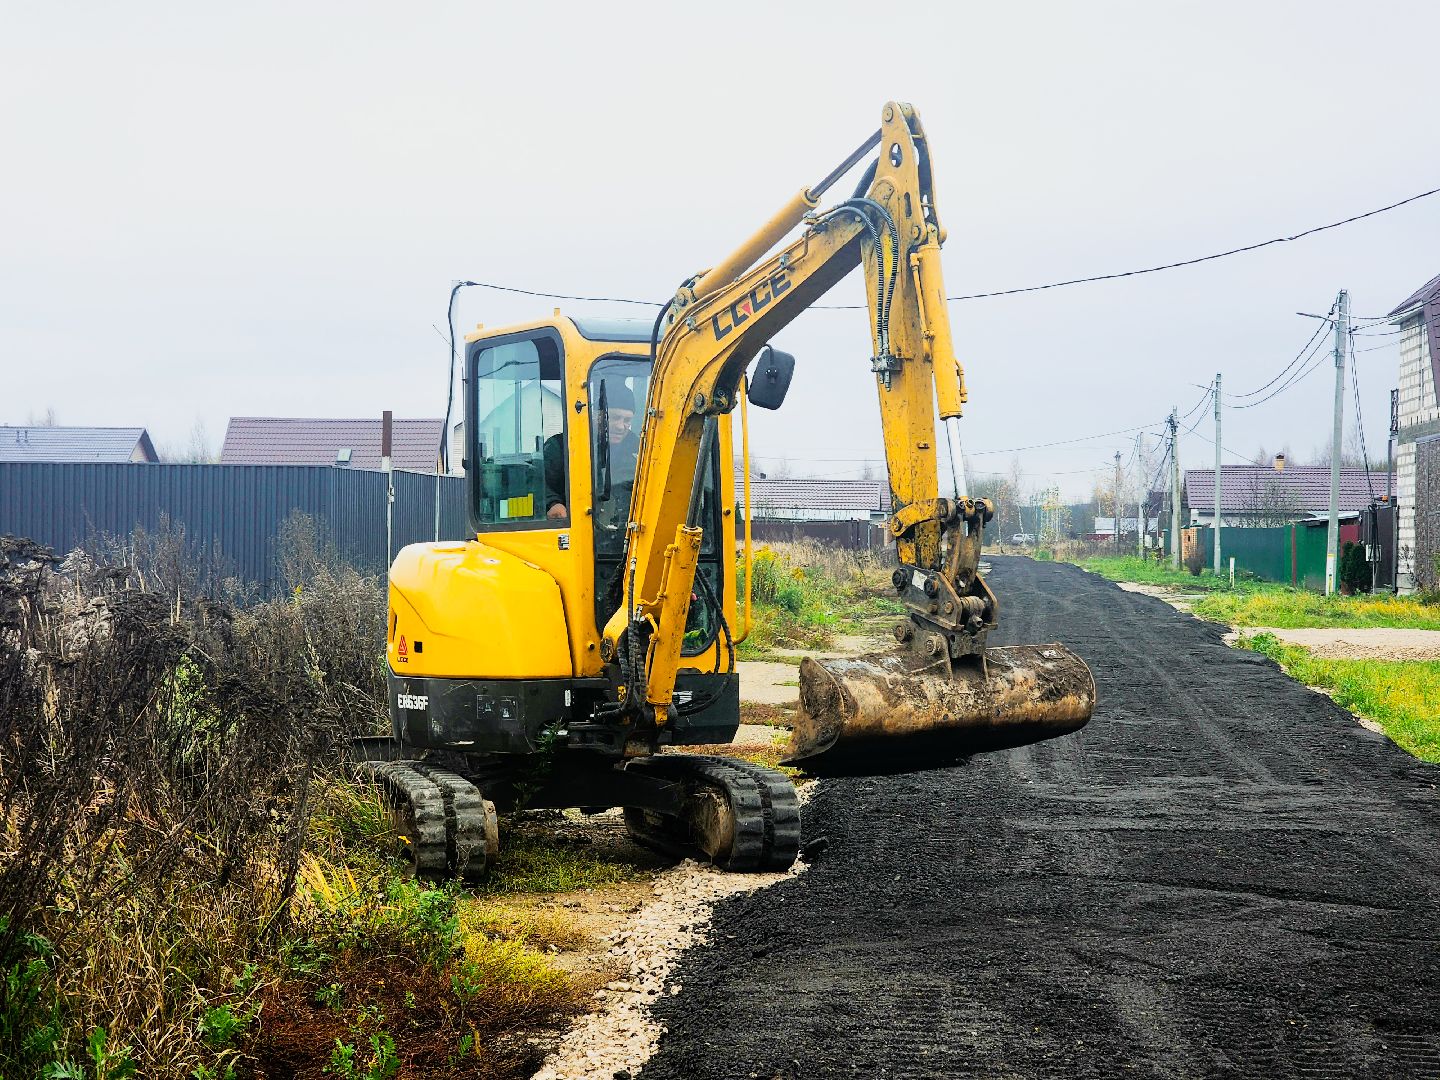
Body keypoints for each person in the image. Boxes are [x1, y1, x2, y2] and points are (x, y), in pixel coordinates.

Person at [545, 380, 640, 521]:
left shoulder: (640, 450)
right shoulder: (561, 446)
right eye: (615, 418)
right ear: (597, 416)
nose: (621, 426)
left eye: (627, 420)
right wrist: (552, 503)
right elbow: (539, 484)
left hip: (625, 528)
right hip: (577, 524)